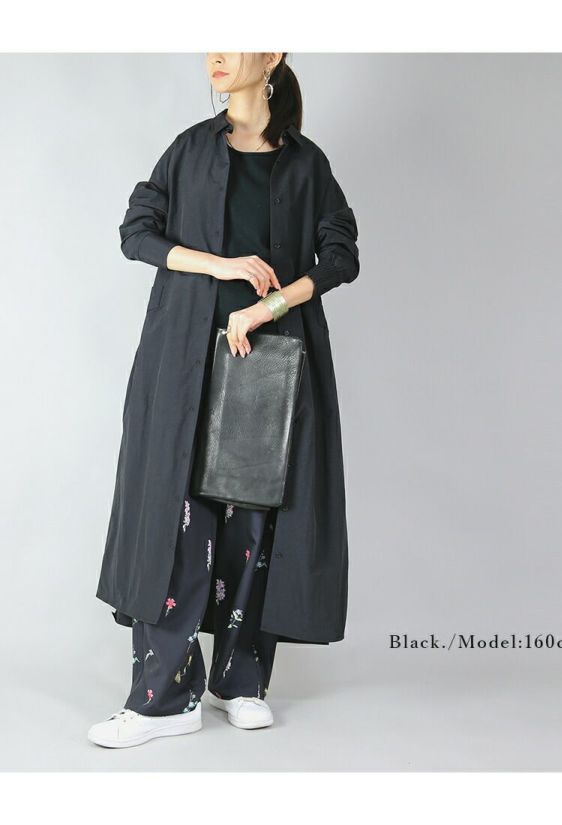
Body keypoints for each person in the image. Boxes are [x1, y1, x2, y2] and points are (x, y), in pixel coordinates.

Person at [89, 52, 360, 748]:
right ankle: (163, 697)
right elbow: (136, 233)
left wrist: (266, 305)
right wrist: (220, 265)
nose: (216, 51)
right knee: (177, 520)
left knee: (253, 517)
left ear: (270, 55)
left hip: (268, 361)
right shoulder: (189, 151)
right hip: (183, 360)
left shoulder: (306, 165)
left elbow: (340, 255)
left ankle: (241, 681)